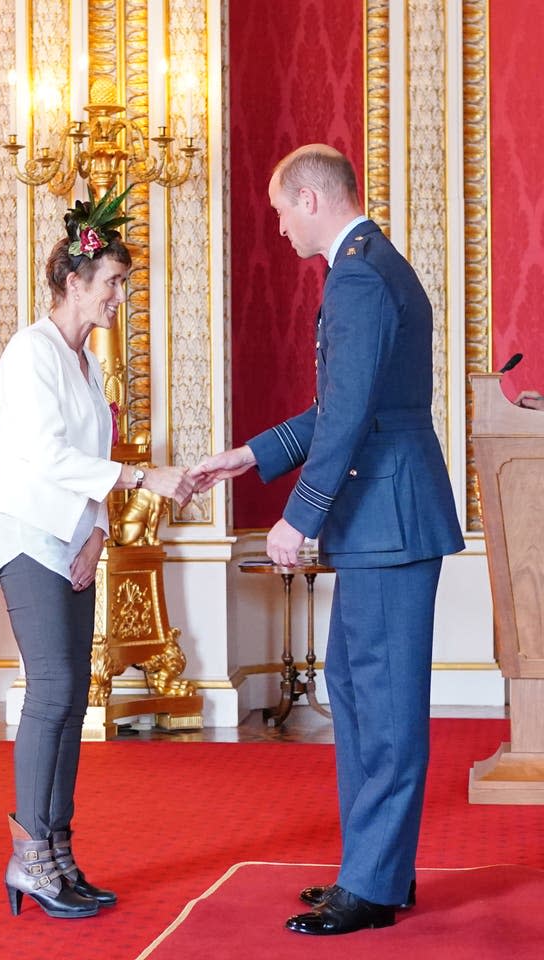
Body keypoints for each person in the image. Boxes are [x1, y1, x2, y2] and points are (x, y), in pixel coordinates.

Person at [191, 144, 465, 936]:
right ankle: (375, 869)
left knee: (380, 703)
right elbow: (342, 405)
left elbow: (348, 416)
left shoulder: (356, 275)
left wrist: (297, 516)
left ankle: (373, 887)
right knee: (355, 688)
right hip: (384, 515)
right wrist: (251, 454)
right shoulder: (374, 265)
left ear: (312, 200)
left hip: (386, 517)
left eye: (280, 211)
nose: (277, 228)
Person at [0, 188, 194, 920]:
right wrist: (142, 477)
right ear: (72, 282)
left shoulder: (87, 365)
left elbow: (90, 456)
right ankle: (26, 855)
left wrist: (99, 532)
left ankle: (58, 852)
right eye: (111, 284)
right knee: (52, 689)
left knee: (73, 700)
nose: (118, 297)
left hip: (72, 539)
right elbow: (40, 456)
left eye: (123, 286)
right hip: (27, 534)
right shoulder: (29, 354)